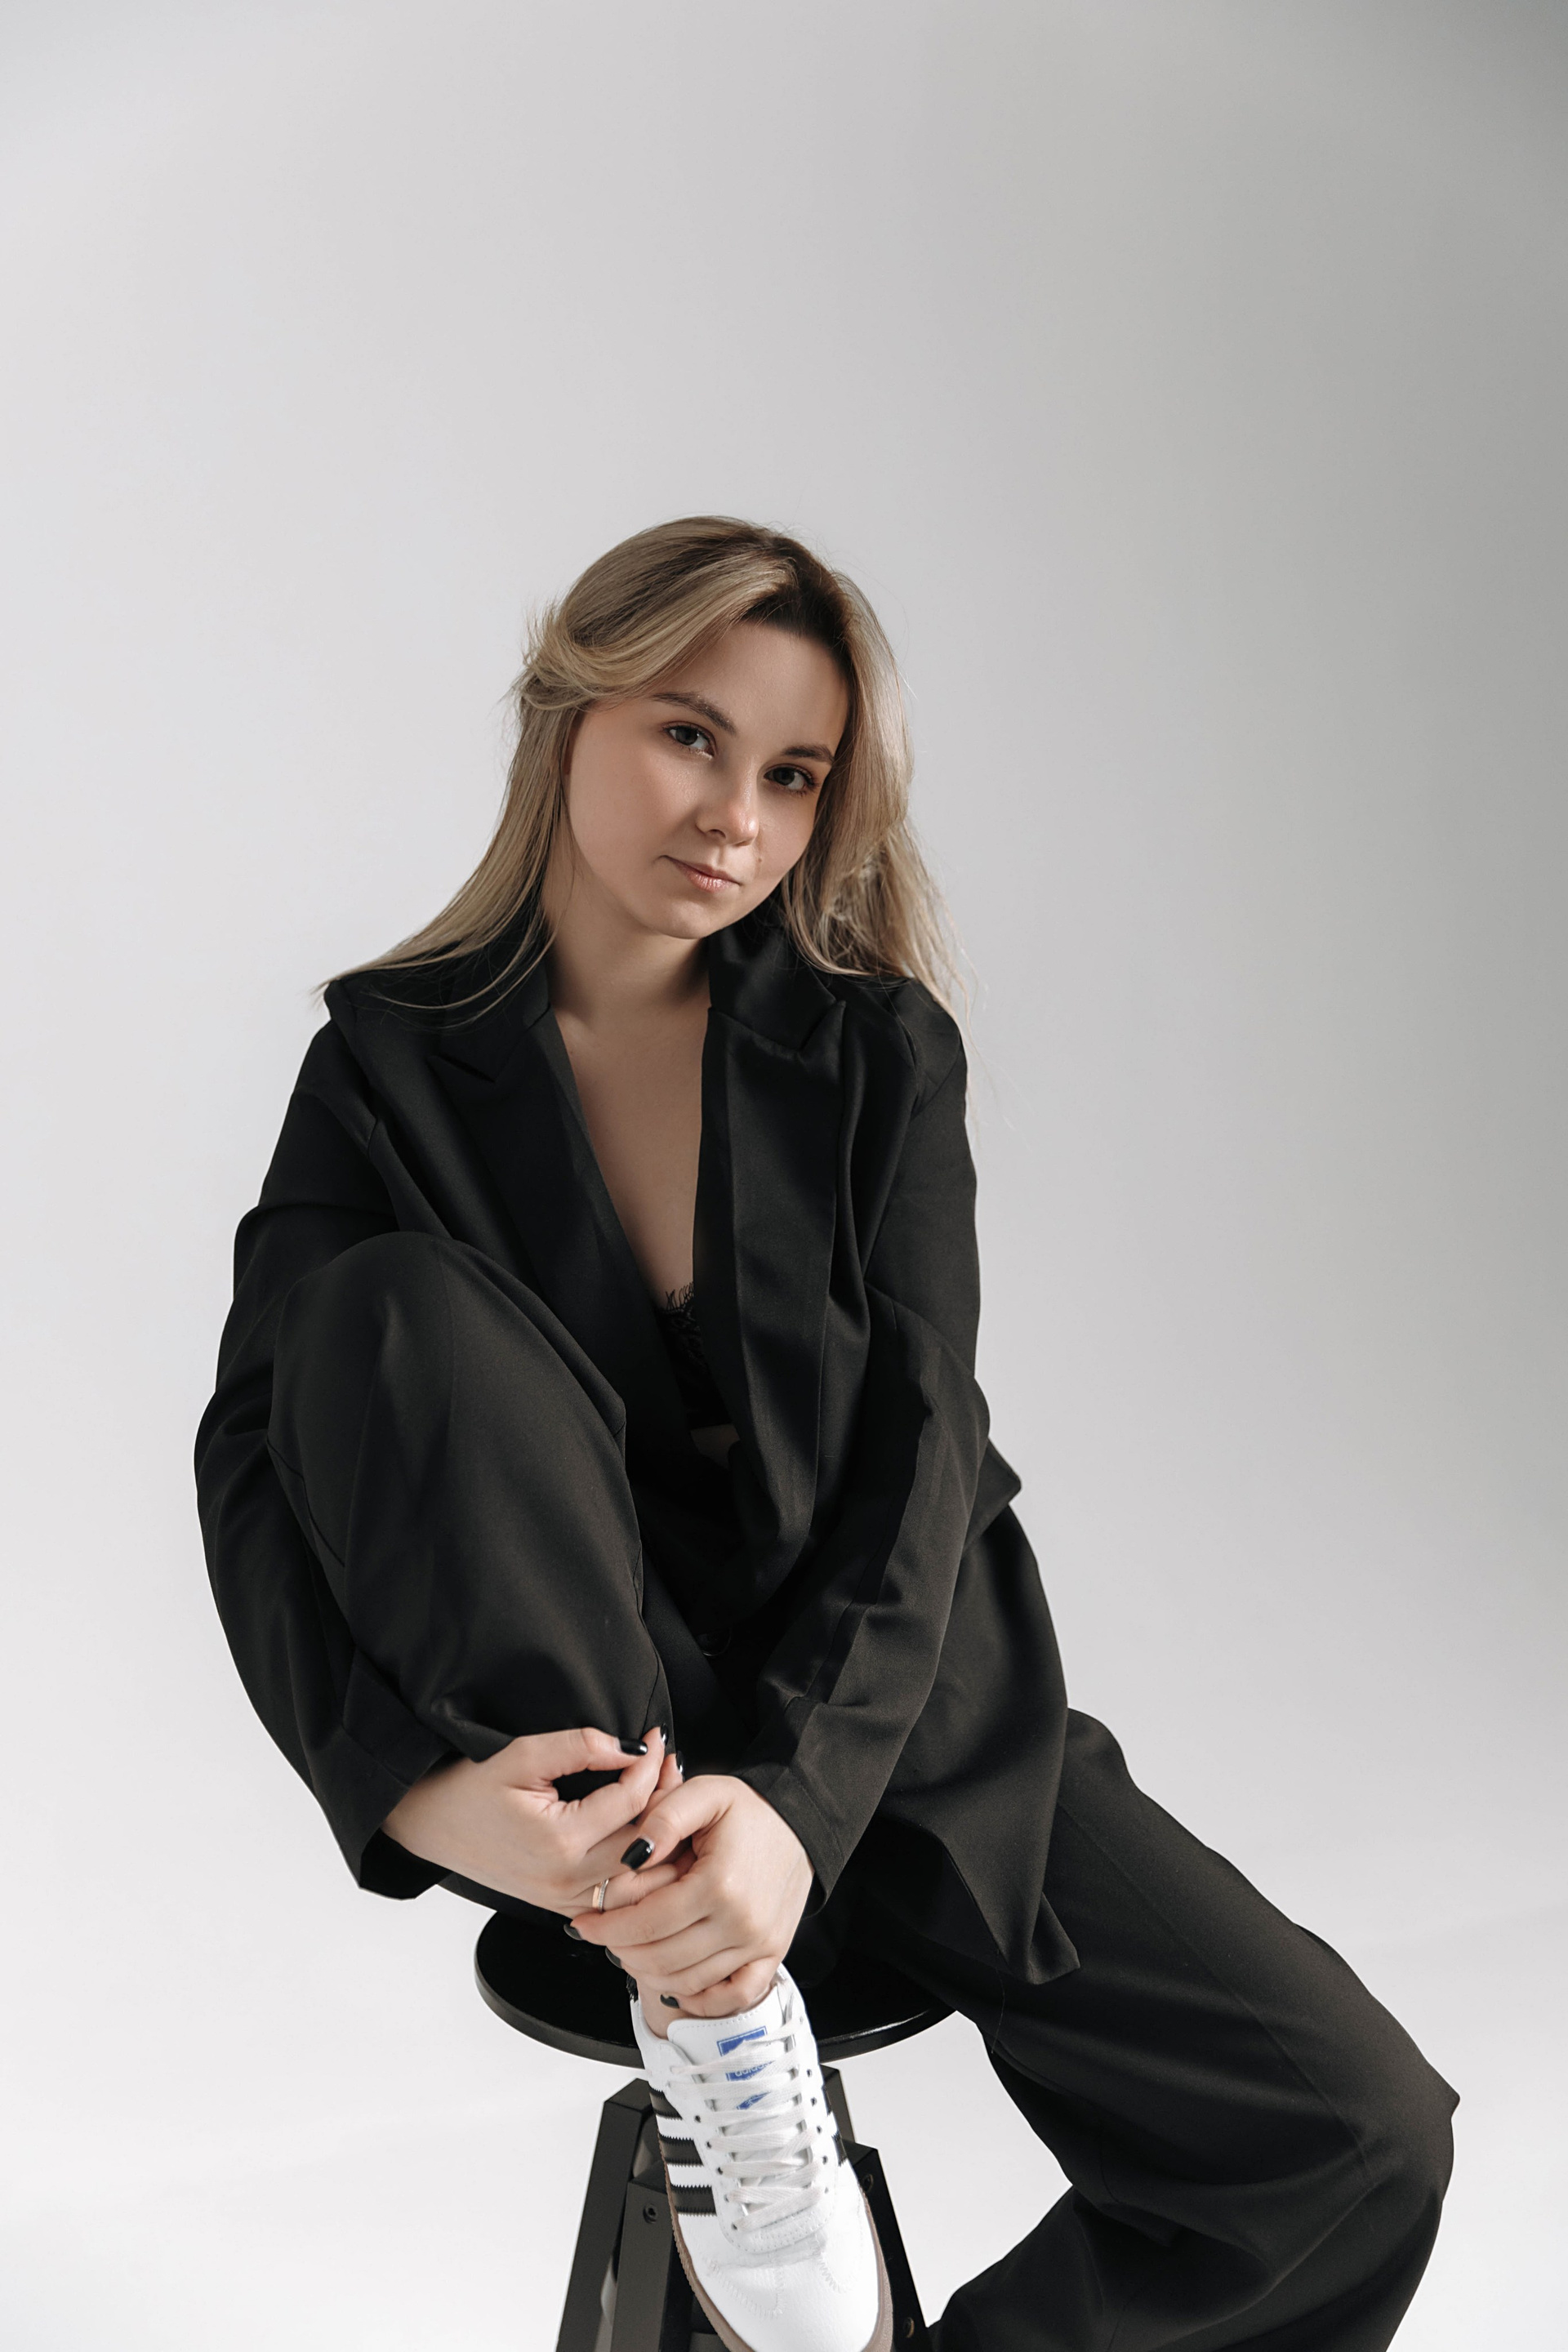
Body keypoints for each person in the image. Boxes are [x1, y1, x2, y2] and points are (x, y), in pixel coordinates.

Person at [195, 516, 1456, 2352]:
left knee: (1352, 2137)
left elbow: (925, 1456)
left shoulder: (878, 1055)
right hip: (599, 1745)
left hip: (902, 1719)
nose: (738, 818)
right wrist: (405, 1788)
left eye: (794, 776)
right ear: (564, 716)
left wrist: (795, 1807)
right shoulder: (385, 1061)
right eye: (689, 737)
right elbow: (258, 1466)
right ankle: (715, 2021)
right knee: (382, 1315)